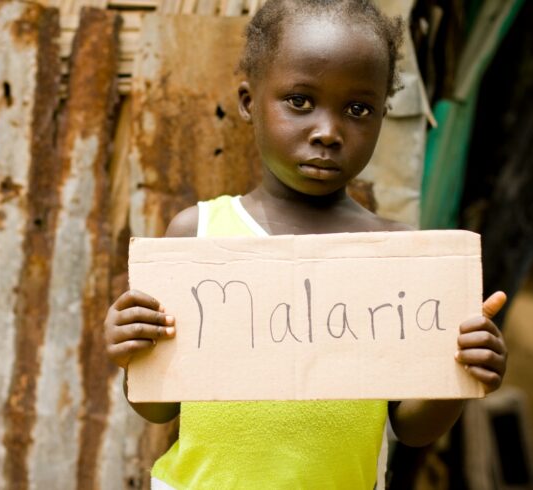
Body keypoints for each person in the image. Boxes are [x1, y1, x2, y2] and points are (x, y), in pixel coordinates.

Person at [103, 0, 508, 487]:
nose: (328, 132)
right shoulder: (199, 235)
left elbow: (412, 428)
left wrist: (461, 372)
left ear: (382, 114)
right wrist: (133, 350)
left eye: (358, 109)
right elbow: (158, 408)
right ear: (250, 102)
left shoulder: (397, 255)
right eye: (299, 101)